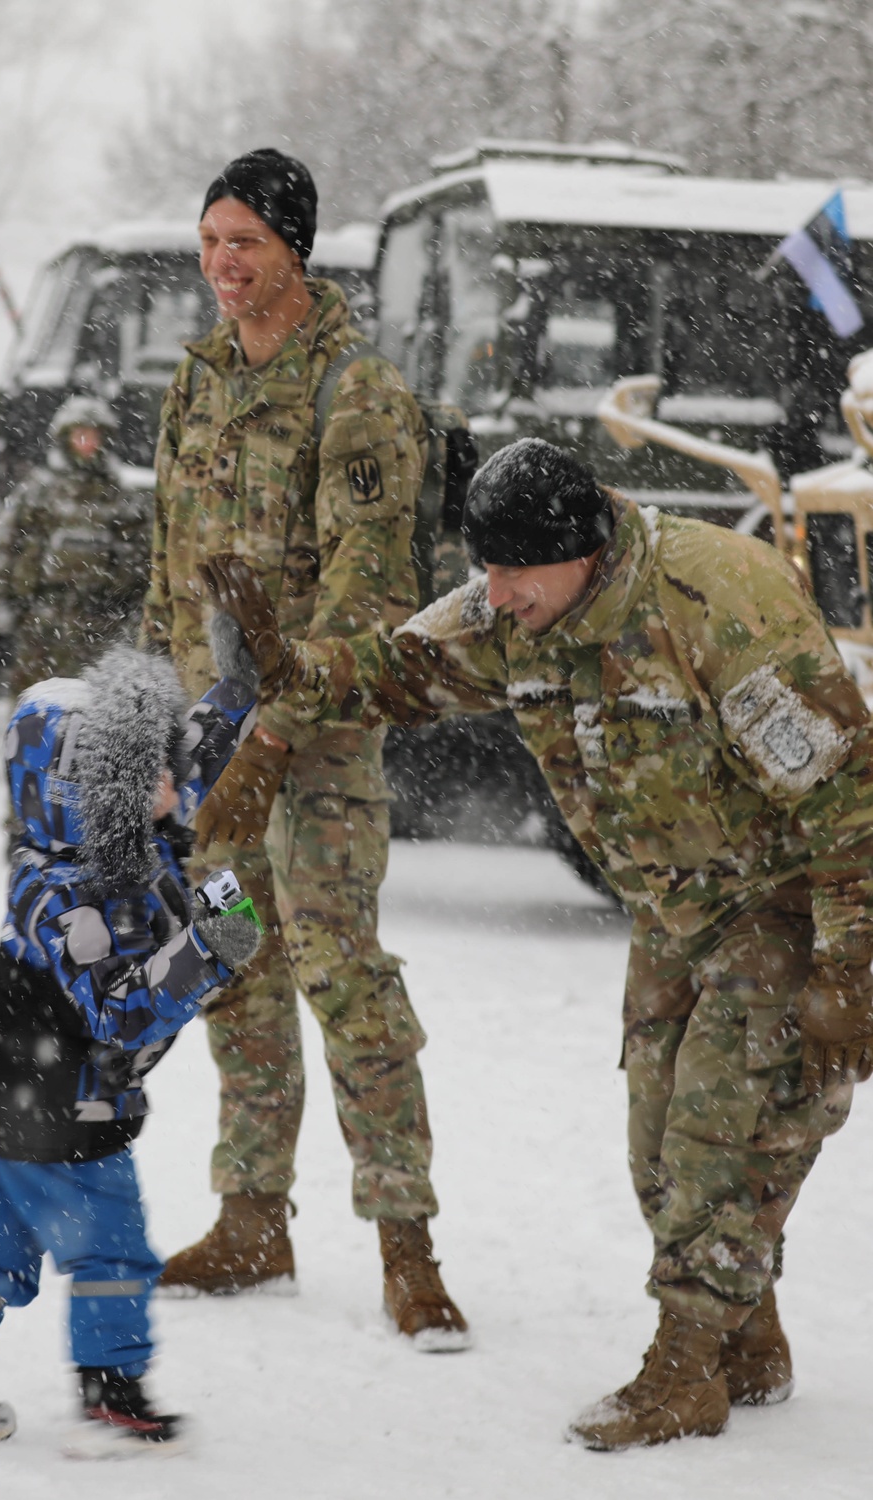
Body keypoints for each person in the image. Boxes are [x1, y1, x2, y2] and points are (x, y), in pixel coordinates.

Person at [200, 436, 873, 1450]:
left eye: (518, 570)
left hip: (780, 898)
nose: (499, 593)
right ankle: (748, 1336)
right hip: (670, 908)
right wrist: (292, 674)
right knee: (655, 1141)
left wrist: (848, 968)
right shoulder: (513, 608)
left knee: (720, 1128)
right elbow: (397, 669)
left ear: (587, 549)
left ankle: (686, 1366)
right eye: (488, 569)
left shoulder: (717, 600)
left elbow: (848, 797)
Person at [140, 146, 468, 1348]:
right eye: (211, 242)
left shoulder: (358, 393)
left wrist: (273, 733)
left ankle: (406, 1243)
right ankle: (251, 1219)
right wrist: (163, 720)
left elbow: (369, 594)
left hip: (315, 747)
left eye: (247, 245)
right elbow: (168, 564)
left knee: (344, 977)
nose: (224, 268)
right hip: (210, 746)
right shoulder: (199, 381)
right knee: (230, 963)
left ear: (296, 251)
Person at [0, 631, 263, 1456]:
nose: (170, 783)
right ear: (89, 793)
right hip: (60, 1107)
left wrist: (244, 681)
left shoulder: (117, 828)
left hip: (0, 1095)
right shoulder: (61, 896)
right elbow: (122, 1014)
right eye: (141, 774)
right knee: (111, 1246)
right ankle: (114, 1396)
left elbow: (191, 760)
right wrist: (206, 952)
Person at [0, 395, 151, 698]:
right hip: (41, 628)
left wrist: (132, 618)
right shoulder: (37, 492)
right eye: (79, 433)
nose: (86, 442)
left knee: (93, 721)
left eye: (94, 435)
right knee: (36, 719)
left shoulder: (122, 498)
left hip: (101, 629)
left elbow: (146, 563)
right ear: (65, 438)